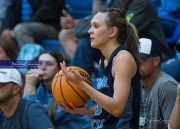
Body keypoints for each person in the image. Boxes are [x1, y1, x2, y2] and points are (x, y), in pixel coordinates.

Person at [60, 8, 141, 129]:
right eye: (90, 26)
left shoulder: (123, 59)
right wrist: (84, 110)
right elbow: (108, 106)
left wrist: (82, 85)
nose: (89, 31)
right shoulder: (103, 60)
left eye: (96, 26)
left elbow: (117, 109)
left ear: (112, 31)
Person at [70, 0, 172, 75]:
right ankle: (73, 87)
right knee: (85, 42)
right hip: (124, 53)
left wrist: (101, 26)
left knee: (110, 43)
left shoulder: (143, 4)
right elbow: (78, 28)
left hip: (150, 58)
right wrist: (100, 27)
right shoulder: (112, 4)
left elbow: (121, 31)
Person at [23, 50, 92, 129]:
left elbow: (39, 119)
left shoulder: (68, 90)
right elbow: (23, 113)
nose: (43, 67)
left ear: (58, 69)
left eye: (49, 64)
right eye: (40, 63)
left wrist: (31, 86)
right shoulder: (41, 89)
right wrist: (27, 85)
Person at [138, 38, 177, 129]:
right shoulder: (136, 85)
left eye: (141, 59)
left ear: (156, 61)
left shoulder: (166, 85)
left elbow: (174, 127)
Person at [0, 0, 66, 49]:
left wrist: (15, 30)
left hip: (51, 26)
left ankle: (32, 64)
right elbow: (11, 10)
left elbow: (45, 13)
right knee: (5, 31)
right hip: (24, 25)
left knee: (21, 29)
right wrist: (7, 28)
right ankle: (6, 65)